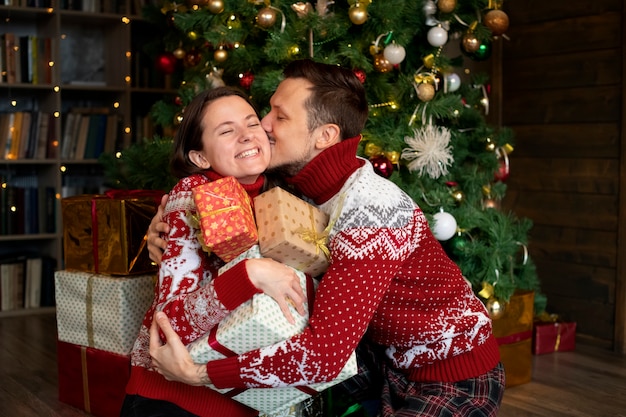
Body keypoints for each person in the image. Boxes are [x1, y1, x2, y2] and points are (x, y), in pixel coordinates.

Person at [146, 59, 505, 417]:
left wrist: (200, 374)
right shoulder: (293, 186)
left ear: (324, 136)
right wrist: (167, 220)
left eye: (279, 117)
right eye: (267, 111)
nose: (263, 127)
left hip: (452, 375)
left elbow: (321, 357)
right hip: (377, 357)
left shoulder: (372, 212)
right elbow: (207, 197)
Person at [121, 86, 308, 417]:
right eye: (226, 130)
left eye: (252, 123)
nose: (246, 136)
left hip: (252, 399)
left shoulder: (284, 195)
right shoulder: (193, 195)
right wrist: (250, 274)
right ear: (200, 157)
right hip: (177, 399)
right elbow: (170, 325)